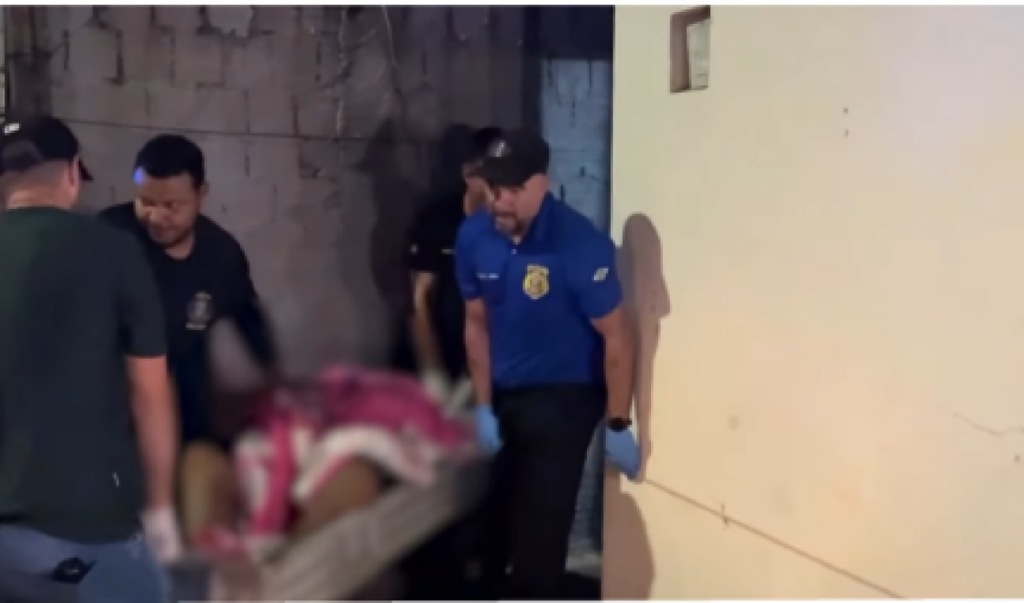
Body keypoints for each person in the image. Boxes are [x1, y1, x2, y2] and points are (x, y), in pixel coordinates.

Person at [454, 128, 642, 598]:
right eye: (494, 187)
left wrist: (619, 422)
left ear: (542, 183)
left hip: (566, 396)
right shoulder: (474, 236)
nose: (500, 201)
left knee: (541, 536)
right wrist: (483, 406)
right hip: (505, 391)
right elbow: (476, 324)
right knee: (493, 522)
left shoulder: (580, 246)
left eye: (513, 189)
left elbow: (617, 336)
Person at [0, 115, 179, 601]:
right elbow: (149, 393)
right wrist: (161, 511)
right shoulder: (114, 252)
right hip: (89, 530)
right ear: (72, 173)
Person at [97, 134, 279, 543]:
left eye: (172, 205)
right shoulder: (106, 240)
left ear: (202, 195)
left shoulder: (221, 255)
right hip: (112, 407)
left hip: (187, 400)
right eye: (146, 202)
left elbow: (248, 320)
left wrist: (273, 380)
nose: (157, 216)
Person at [406, 124, 503, 402]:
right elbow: (419, 304)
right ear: (469, 173)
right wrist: (433, 375)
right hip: (448, 367)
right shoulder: (437, 223)